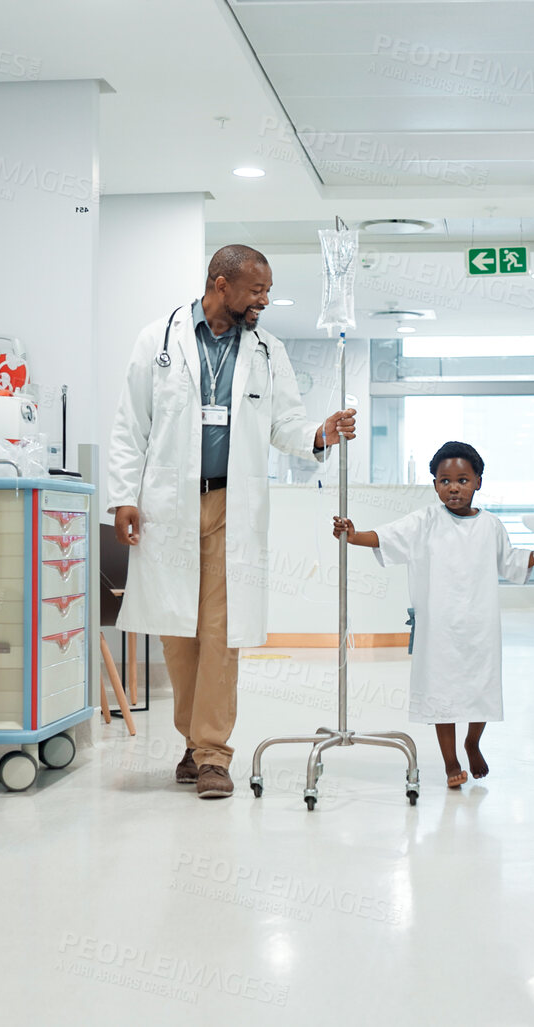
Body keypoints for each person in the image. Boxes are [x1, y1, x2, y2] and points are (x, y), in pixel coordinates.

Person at [105, 244, 357, 800]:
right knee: (178, 633)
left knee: (221, 633)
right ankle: (192, 745)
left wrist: (320, 433)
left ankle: (214, 754)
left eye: (266, 291)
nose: (263, 301)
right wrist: (122, 496)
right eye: (256, 290)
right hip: (167, 506)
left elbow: (285, 421)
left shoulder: (268, 349)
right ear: (221, 284)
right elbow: (131, 423)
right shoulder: (159, 340)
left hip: (229, 506)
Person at [330, 442, 534, 790]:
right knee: (441, 693)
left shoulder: (491, 526)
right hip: (439, 628)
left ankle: (473, 742)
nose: (454, 487)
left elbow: (511, 563)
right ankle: (450, 762)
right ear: (435, 486)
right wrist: (354, 536)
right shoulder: (425, 522)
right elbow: (386, 537)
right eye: (444, 481)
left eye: (462, 479)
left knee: (481, 689)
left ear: (478, 481)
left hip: (481, 627)